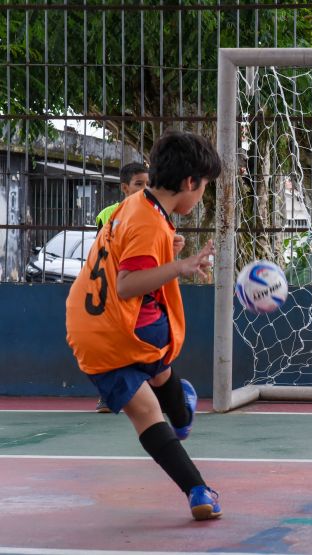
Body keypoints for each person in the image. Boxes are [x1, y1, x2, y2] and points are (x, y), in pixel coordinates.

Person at [65, 130, 223, 520]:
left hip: (89, 330)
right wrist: (180, 266)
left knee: (146, 412)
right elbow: (128, 283)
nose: (202, 195)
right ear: (190, 183)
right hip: (127, 327)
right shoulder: (150, 224)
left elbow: (121, 259)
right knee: (159, 350)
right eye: (204, 187)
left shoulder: (135, 205)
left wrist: (168, 253)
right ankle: (183, 416)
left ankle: (198, 490)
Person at [94, 162, 150, 413]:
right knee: (111, 342)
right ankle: (108, 396)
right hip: (114, 288)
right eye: (139, 184)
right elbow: (101, 253)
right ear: (125, 188)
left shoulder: (155, 214)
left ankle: (150, 394)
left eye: (148, 184)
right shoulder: (108, 215)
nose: (144, 189)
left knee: (145, 342)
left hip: (143, 288)